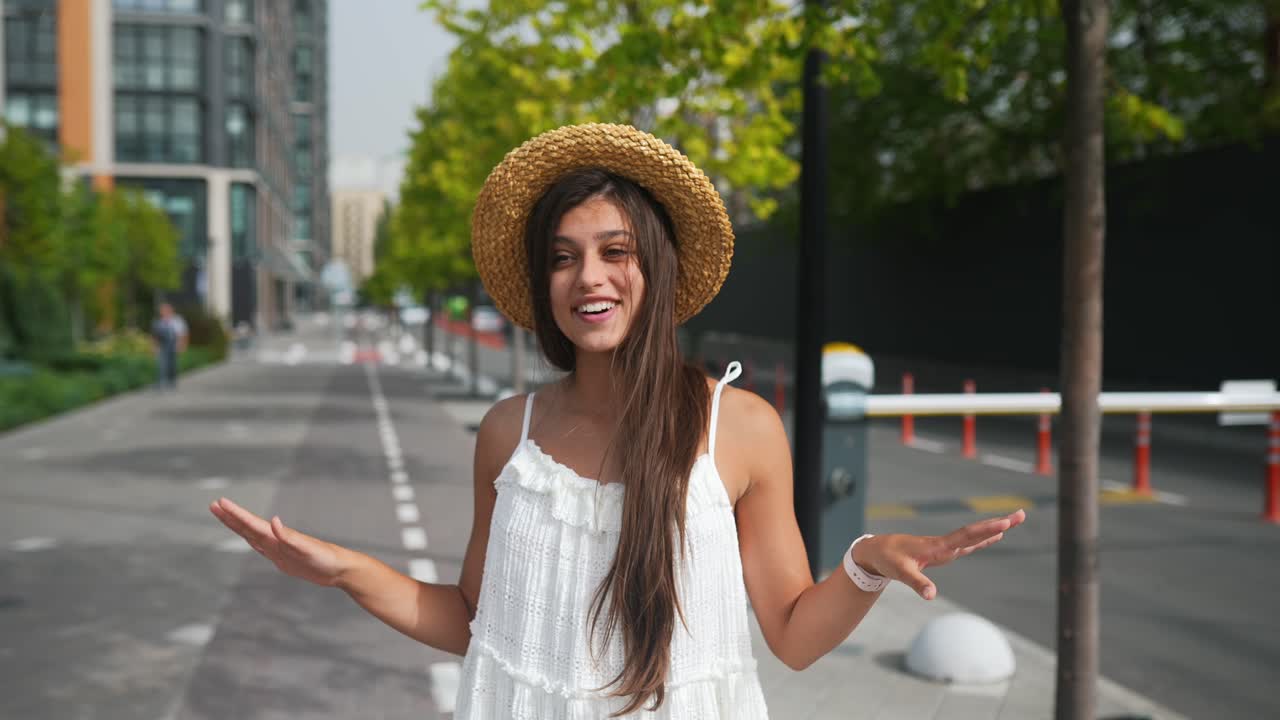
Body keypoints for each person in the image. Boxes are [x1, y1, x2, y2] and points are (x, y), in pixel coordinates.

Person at [209, 124, 1026, 718]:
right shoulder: (509, 432)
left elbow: (792, 635)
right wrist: (346, 570)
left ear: (657, 267)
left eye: (615, 251)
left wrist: (867, 562)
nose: (587, 277)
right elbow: (473, 619)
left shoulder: (734, 429)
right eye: (562, 257)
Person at [152, 301, 188, 389]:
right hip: (162, 345)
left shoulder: (177, 320)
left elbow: (182, 334)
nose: (163, 312)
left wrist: (182, 345)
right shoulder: (158, 322)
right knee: (161, 364)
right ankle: (161, 382)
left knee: (172, 364)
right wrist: (154, 346)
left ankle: (172, 381)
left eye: (165, 310)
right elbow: (155, 336)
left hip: (174, 344)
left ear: (170, 310)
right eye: (162, 310)